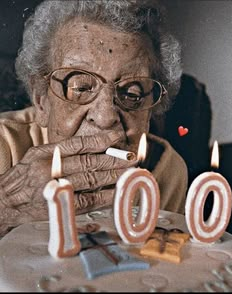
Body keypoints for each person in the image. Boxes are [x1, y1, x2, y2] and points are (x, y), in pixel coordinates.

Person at [0, 0, 188, 237]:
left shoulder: (168, 172)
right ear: (41, 100)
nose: (105, 117)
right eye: (79, 87)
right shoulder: (4, 149)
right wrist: (4, 210)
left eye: (132, 93)